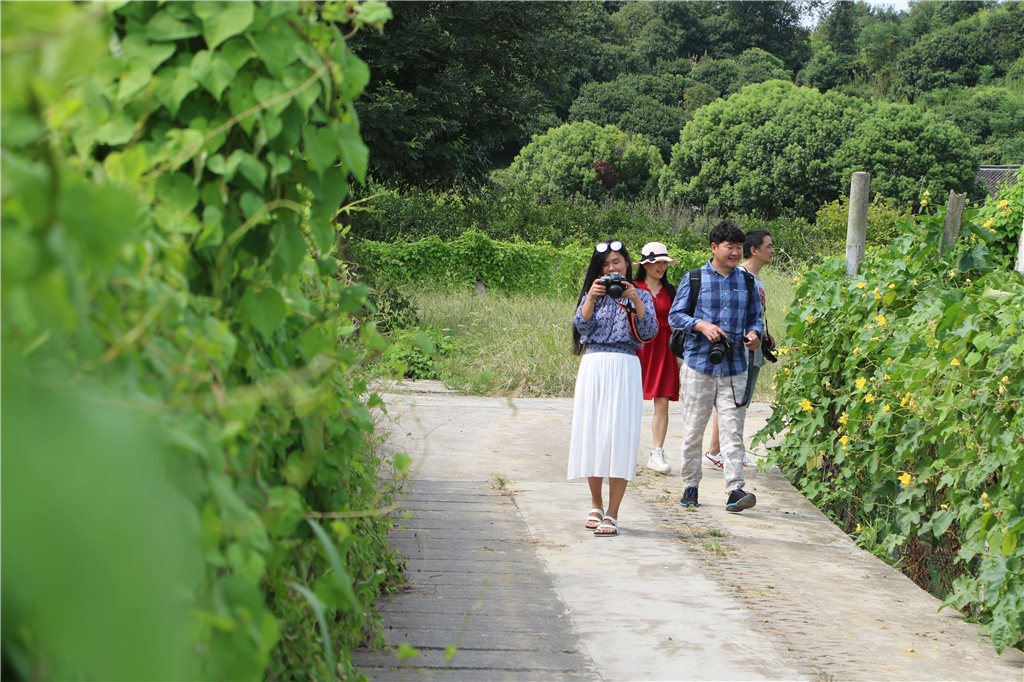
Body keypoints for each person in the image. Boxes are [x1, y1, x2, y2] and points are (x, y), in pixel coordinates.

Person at [668, 221, 762, 512]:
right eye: (729, 247)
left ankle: (735, 489)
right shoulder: (694, 278)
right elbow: (675, 316)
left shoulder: (746, 281)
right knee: (694, 429)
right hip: (698, 364)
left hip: (735, 365)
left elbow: (756, 318)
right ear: (714, 247)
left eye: (738, 247)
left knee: (733, 431)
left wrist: (754, 335)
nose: (735, 253)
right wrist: (701, 325)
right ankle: (690, 485)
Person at [568, 238, 657, 536]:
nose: (611, 269)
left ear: (628, 264)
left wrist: (636, 299)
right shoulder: (593, 294)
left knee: (621, 437)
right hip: (594, 364)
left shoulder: (640, 294)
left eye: (616, 262)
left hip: (625, 365)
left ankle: (614, 513)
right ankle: (596, 503)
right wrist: (591, 298)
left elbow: (649, 332)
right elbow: (582, 327)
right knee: (592, 433)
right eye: (605, 265)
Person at [703, 229, 775, 470]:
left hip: (752, 346)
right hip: (739, 349)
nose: (772, 250)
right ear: (753, 250)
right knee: (732, 400)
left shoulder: (754, 278)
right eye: (769, 246)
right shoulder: (741, 276)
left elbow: (753, 314)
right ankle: (717, 451)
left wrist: (762, 334)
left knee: (739, 401)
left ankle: (730, 450)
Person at [633, 242, 680, 475]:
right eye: (656, 262)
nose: (661, 266)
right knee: (628, 400)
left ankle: (657, 452)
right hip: (637, 348)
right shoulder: (631, 286)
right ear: (645, 264)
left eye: (664, 262)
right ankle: (625, 450)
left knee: (662, 401)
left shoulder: (671, 290)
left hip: (664, 348)